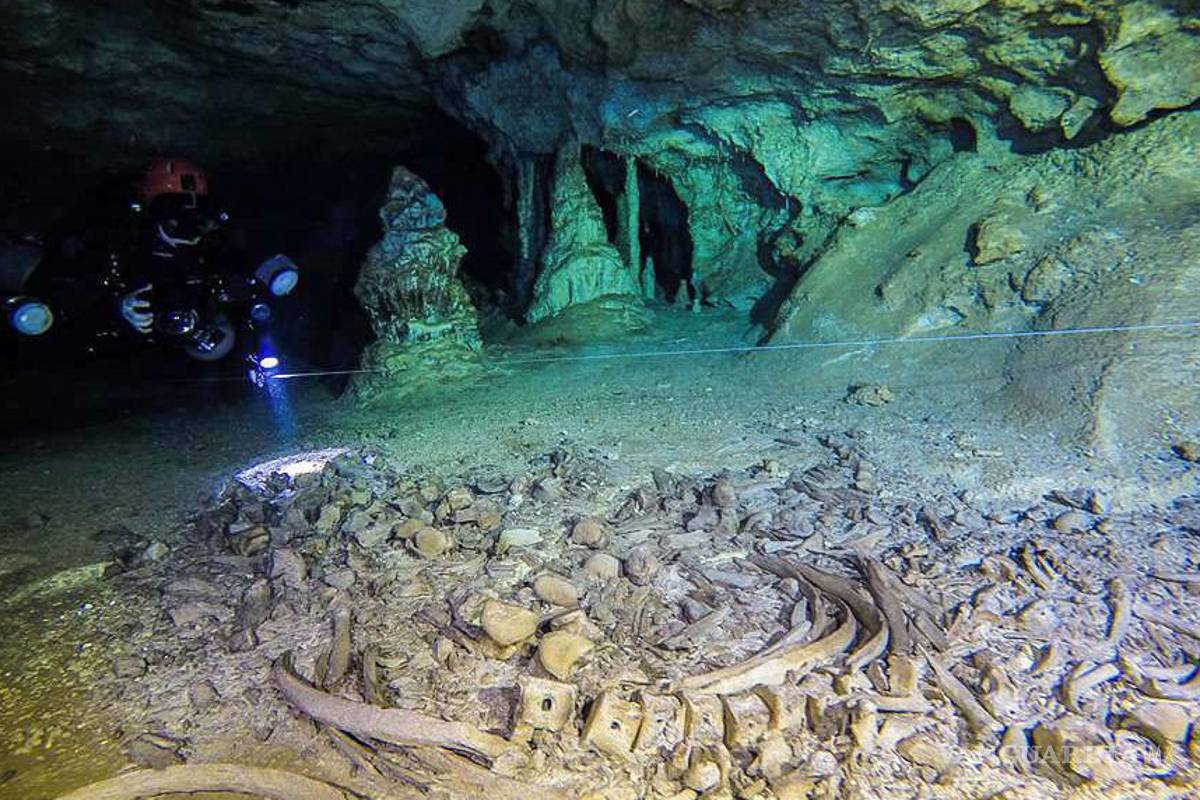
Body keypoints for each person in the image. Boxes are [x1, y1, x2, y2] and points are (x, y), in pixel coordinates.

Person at [119, 157, 228, 334]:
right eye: (173, 212)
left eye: (196, 215)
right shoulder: (130, 248)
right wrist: (122, 309)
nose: (186, 226)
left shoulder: (214, 251)